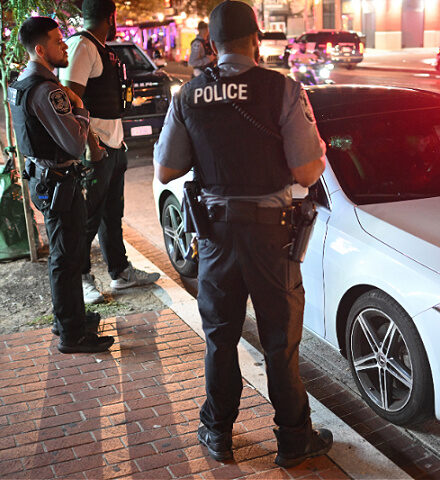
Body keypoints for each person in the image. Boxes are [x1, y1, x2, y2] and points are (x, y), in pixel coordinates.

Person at [153, 0, 332, 468]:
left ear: (211, 44)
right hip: (271, 239)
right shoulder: (282, 89)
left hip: (215, 238)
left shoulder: (188, 96)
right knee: (280, 341)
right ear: (257, 39)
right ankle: (294, 439)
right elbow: (308, 170)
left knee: (221, 337)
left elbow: (168, 166)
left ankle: (218, 434)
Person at [8, 16, 114, 353]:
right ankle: (73, 334)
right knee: (68, 258)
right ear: (40, 49)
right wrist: (80, 108)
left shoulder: (21, 83)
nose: (64, 45)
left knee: (64, 254)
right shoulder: (47, 91)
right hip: (59, 183)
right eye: (57, 41)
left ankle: (69, 318)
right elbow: (72, 144)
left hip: (45, 180)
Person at [59, 0, 159, 305]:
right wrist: (90, 143)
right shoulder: (82, 46)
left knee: (111, 215)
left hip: (113, 145)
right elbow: (67, 96)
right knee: (87, 218)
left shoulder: (99, 48)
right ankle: (82, 278)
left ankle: (120, 272)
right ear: (111, 17)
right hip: (96, 149)